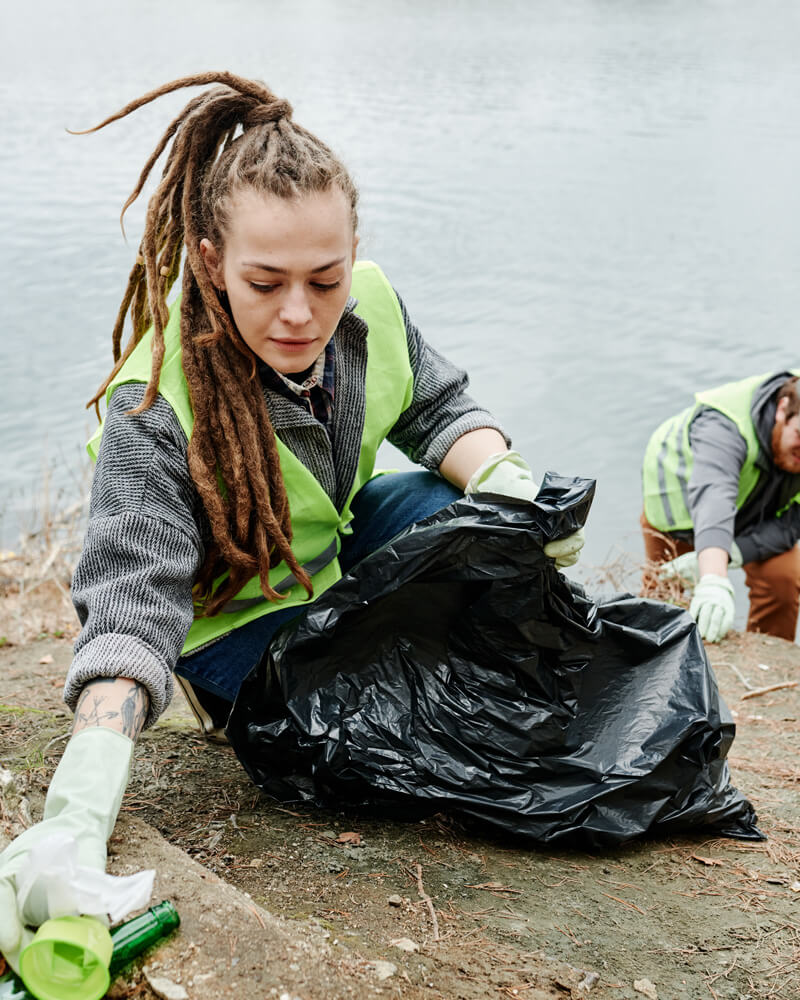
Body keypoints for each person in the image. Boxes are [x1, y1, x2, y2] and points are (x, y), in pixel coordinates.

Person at [0, 72, 585, 970]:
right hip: (238, 622)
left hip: (330, 557)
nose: (301, 313)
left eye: (326, 278)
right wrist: (79, 811)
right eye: (264, 283)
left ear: (354, 253)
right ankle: (248, 699)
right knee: (344, 727)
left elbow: (440, 409)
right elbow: (130, 613)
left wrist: (505, 480)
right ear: (210, 262)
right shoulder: (153, 410)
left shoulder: (371, 305)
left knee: (457, 515)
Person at [641, 370, 800, 643]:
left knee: (783, 580)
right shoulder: (724, 425)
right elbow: (714, 495)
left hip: (758, 513)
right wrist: (714, 580)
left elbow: (794, 521)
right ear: (782, 409)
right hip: (681, 512)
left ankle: (764, 657)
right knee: (662, 595)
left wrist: (734, 552)